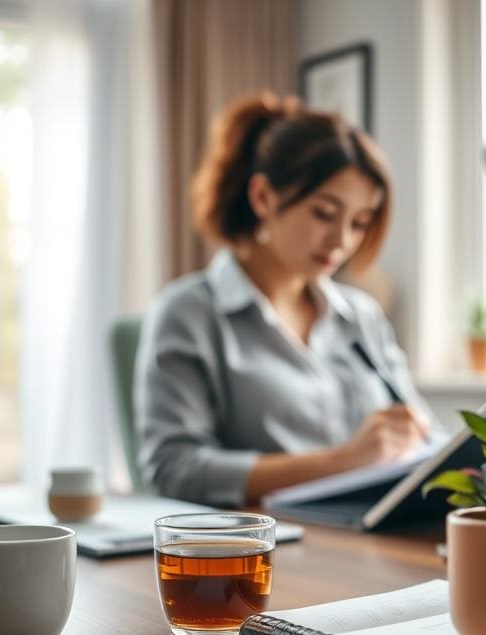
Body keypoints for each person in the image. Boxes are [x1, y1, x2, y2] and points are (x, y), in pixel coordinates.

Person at [136, 92, 441, 507]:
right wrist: (345, 461)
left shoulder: (361, 317)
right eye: (324, 214)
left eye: (359, 223)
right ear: (263, 197)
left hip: (370, 532)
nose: (342, 241)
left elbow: (426, 433)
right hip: (264, 549)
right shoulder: (189, 314)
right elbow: (174, 469)